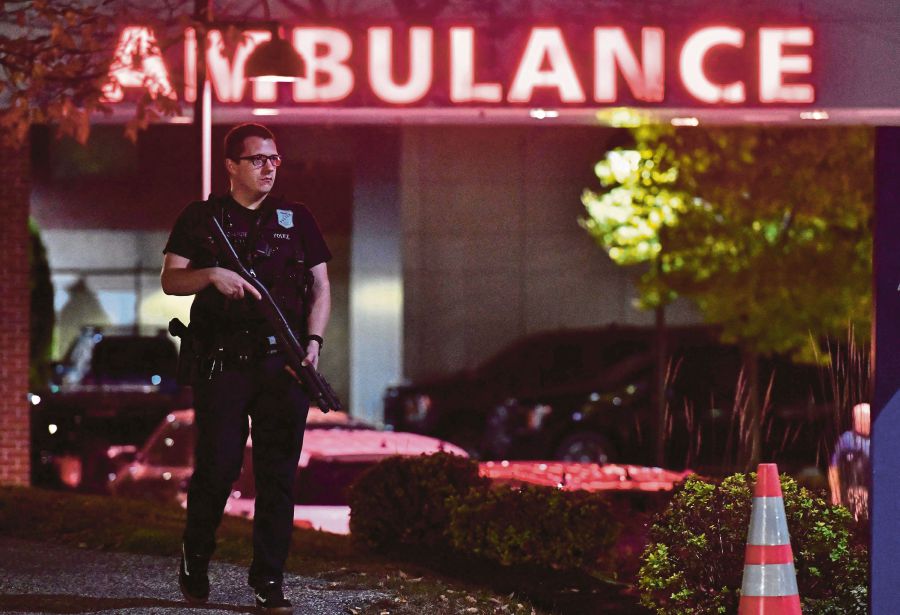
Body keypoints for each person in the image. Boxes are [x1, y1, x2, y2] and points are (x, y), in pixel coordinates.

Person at [160, 123, 332, 614]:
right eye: (258, 159)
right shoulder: (203, 217)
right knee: (218, 469)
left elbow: (320, 287)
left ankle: (269, 579)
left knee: (278, 475)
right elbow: (171, 279)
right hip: (223, 364)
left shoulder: (297, 219)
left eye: (275, 159)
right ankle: (196, 556)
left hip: (284, 365)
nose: (269, 168)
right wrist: (212, 274)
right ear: (232, 166)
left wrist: (314, 342)